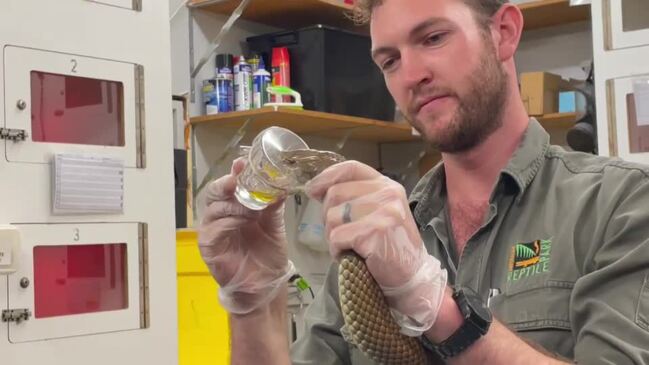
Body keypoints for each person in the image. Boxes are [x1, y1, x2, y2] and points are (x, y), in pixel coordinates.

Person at [198, 0, 649, 363]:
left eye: (433, 38)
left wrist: (440, 312)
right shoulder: (371, 239)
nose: (412, 75)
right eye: (390, 60)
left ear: (504, 33)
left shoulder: (620, 205)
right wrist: (254, 301)